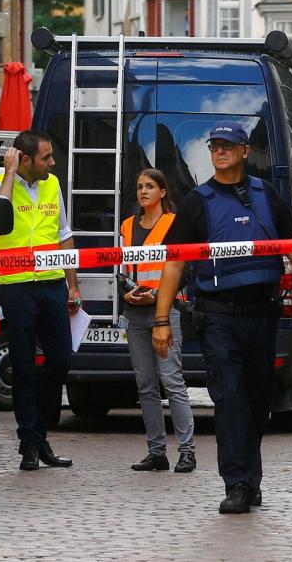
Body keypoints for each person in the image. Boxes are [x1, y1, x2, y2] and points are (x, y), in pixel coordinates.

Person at [152, 121, 292, 514]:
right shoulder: (196, 202)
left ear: (243, 152)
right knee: (231, 401)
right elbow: (173, 263)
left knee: (256, 404)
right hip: (218, 317)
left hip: (263, 315)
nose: (219, 151)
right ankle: (236, 483)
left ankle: (249, 480)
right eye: (214, 145)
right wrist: (161, 319)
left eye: (227, 145)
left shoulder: (265, 194)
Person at [0, 130, 80, 472]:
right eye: (46, 157)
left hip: (52, 285)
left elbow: (63, 235)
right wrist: (10, 173)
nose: (52, 163)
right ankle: (30, 443)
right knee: (24, 368)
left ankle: (39, 436)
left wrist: (73, 285)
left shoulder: (52, 184)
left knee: (60, 363)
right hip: (16, 287)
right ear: (24, 160)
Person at [119, 169, 196, 473]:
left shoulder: (174, 224)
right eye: (139, 187)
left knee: (172, 381)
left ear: (163, 192)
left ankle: (187, 452)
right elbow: (121, 269)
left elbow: (184, 270)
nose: (143, 191)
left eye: (150, 186)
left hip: (165, 312)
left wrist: (158, 296)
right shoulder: (127, 225)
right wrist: (128, 293)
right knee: (146, 386)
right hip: (136, 312)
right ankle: (157, 452)